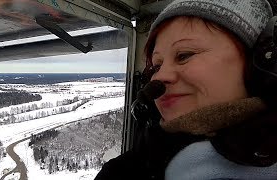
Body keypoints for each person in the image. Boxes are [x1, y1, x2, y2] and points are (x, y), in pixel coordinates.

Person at [95, 0, 277, 179]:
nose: (158, 77)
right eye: (156, 66)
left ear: (262, 65)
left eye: (184, 55)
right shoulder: (121, 173)